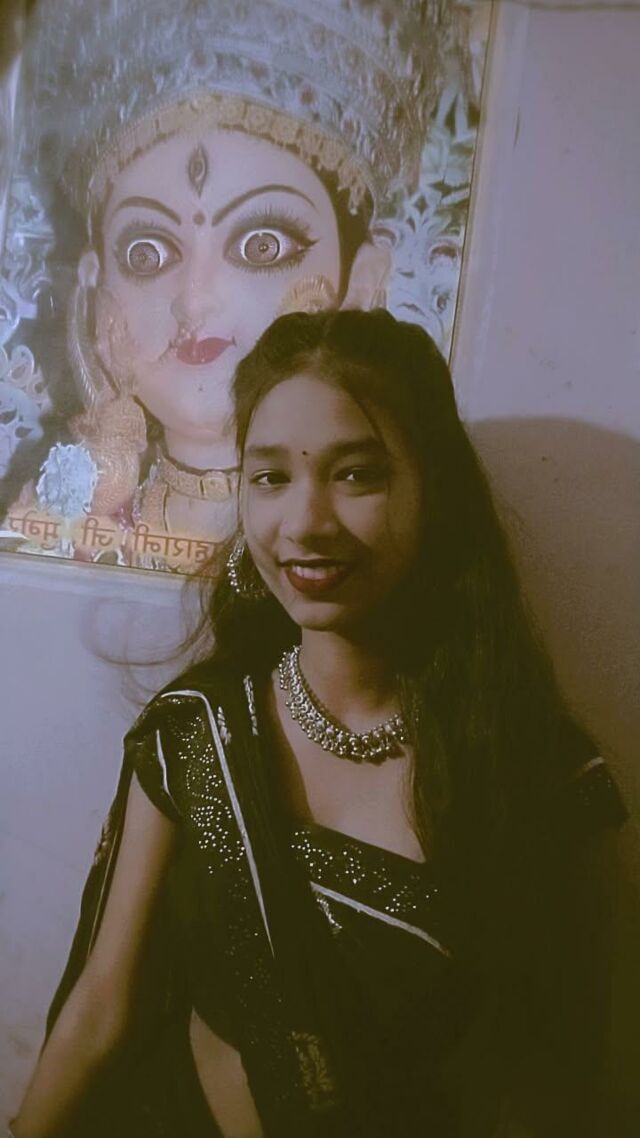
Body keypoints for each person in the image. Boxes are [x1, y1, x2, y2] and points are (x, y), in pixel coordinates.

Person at [11, 309, 632, 1138]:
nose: (304, 523)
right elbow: (100, 1008)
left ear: (435, 492)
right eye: (269, 477)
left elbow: (563, 1079)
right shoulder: (197, 732)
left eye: (357, 474)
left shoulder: (536, 774)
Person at [2, 0, 474, 571]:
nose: (194, 299)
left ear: (361, 282)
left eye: (262, 246)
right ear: (94, 286)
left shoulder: (379, 547)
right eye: (147, 253)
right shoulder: (60, 530)